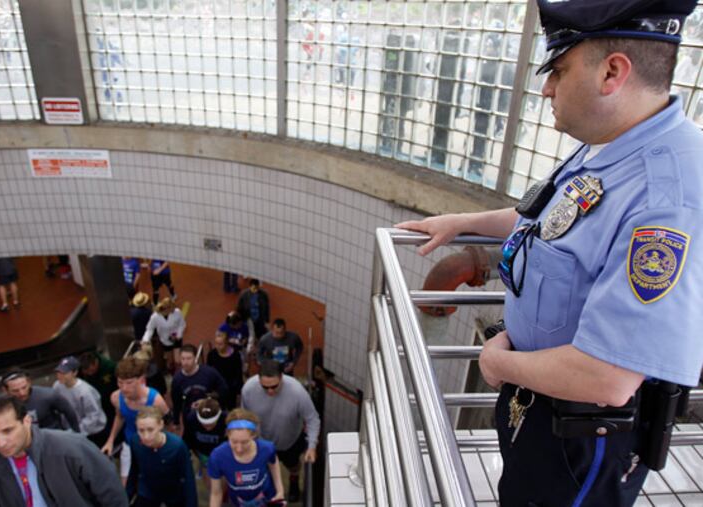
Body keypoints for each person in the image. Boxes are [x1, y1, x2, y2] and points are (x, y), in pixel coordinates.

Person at [396, 1, 703, 505]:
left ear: (612, 72)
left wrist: (499, 366)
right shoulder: (610, 144)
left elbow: (609, 377)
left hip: (584, 435)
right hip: (542, 404)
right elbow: (549, 218)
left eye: (559, 70)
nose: (546, 88)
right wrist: (464, 223)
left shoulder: (665, 198)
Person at [0, 396, 128, 507]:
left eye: (8, 431)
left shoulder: (70, 447)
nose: (1, 442)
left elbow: (111, 495)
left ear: (27, 421)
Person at [242, 360, 320, 502]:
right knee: (265, 469)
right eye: (265, 387)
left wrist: (312, 446)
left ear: (282, 377)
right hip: (261, 441)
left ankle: (294, 481)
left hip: (290, 441)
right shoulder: (248, 390)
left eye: (274, 386)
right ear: (258, 380)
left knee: (293, 465)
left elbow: (312, 419)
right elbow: (245, 416)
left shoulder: (297, 393)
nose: (270, 391)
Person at [100, 357, 169, 484]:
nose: (124, 388)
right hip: (129, 443)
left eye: (129, 382)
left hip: (153, 446)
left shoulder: (156, 400)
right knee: (125, 484)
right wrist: (110, 441)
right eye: (120, 382)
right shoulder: (116, 397)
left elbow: (166, 424)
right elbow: (120, 417)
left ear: (141, 380)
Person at [207, 408, 284, 507]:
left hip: (267, 497)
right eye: (234, 442)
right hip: (238, 501)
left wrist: (280, 490)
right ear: (227, 435)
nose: (239, 449)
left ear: (253, 435)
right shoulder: (217, 456)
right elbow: (216, 493)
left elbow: (273, 463)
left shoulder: (267, 448)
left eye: (244, 442)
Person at [128, 407, 196, 507]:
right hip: (147, 493)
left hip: (173, 495)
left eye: (150, 430)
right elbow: (134, 470)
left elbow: (188, 479)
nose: (146, 436)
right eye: (141, 430)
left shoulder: (177, 446)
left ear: (161, 425)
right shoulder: (135, 442)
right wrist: (126, 497)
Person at [0, 368, 80, 432]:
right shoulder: (2, 406)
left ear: (29, 382)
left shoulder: (47, 395)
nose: (22, 393)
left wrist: (76, 434)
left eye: (24, 387)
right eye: (15, 391)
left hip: (53, 438)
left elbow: (69, 411)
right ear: (5, 390)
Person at [171, 344, 228, 431]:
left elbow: (224, 390)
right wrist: (176, 421)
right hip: (190, 416)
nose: (185, 362)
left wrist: (208, 399)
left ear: (195, 358)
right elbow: (176, 401)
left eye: (189, 358)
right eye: (183, 359)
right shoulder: (177, 379)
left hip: (209, 414)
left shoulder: (209, 373)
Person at [52, 356, 107, 446]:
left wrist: (76, 432)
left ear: (75, 373)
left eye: (64, 373)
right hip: (72, 431)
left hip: (92, 433)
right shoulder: (57, 386)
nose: (59, 375)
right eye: (58, 372)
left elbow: (93, 417)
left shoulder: (85, 391)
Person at [182, 397, 226, 486]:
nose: (207, 428)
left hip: (222, 453)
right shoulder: (191, 418)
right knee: (209, 481)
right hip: (202, 453)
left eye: (211, 424)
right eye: (204, 424)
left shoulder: (226, 420)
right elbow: (187, 438)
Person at [79, 350, 118, 443]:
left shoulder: (110, 367)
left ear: (95, 363)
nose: (89, 373)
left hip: (110, 401)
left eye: (91, 371)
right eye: (87, 372)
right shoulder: (82, 370)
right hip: (96, 401)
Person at [142, 297, 186, 370]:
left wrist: (179, 334)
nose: (173, 310)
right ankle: (171, 372)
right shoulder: (155, 316)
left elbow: (182, 324)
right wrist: (145, 340)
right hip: (165, 341)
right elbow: (150, 329)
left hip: (176, 338)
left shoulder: (177, 312)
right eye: (171, 309)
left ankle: (179, 373)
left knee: (177, 360)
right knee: (170, 361)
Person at [207, 330, 244, 409]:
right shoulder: (212, 354)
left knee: (231, 407)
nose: (218, 346)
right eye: (216, 344)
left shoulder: (235, 355)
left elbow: (238, 372)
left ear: (226, 343)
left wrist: (238, 390)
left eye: (220, 344)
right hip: (218, 387)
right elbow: (209, 372)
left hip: (231, 387)